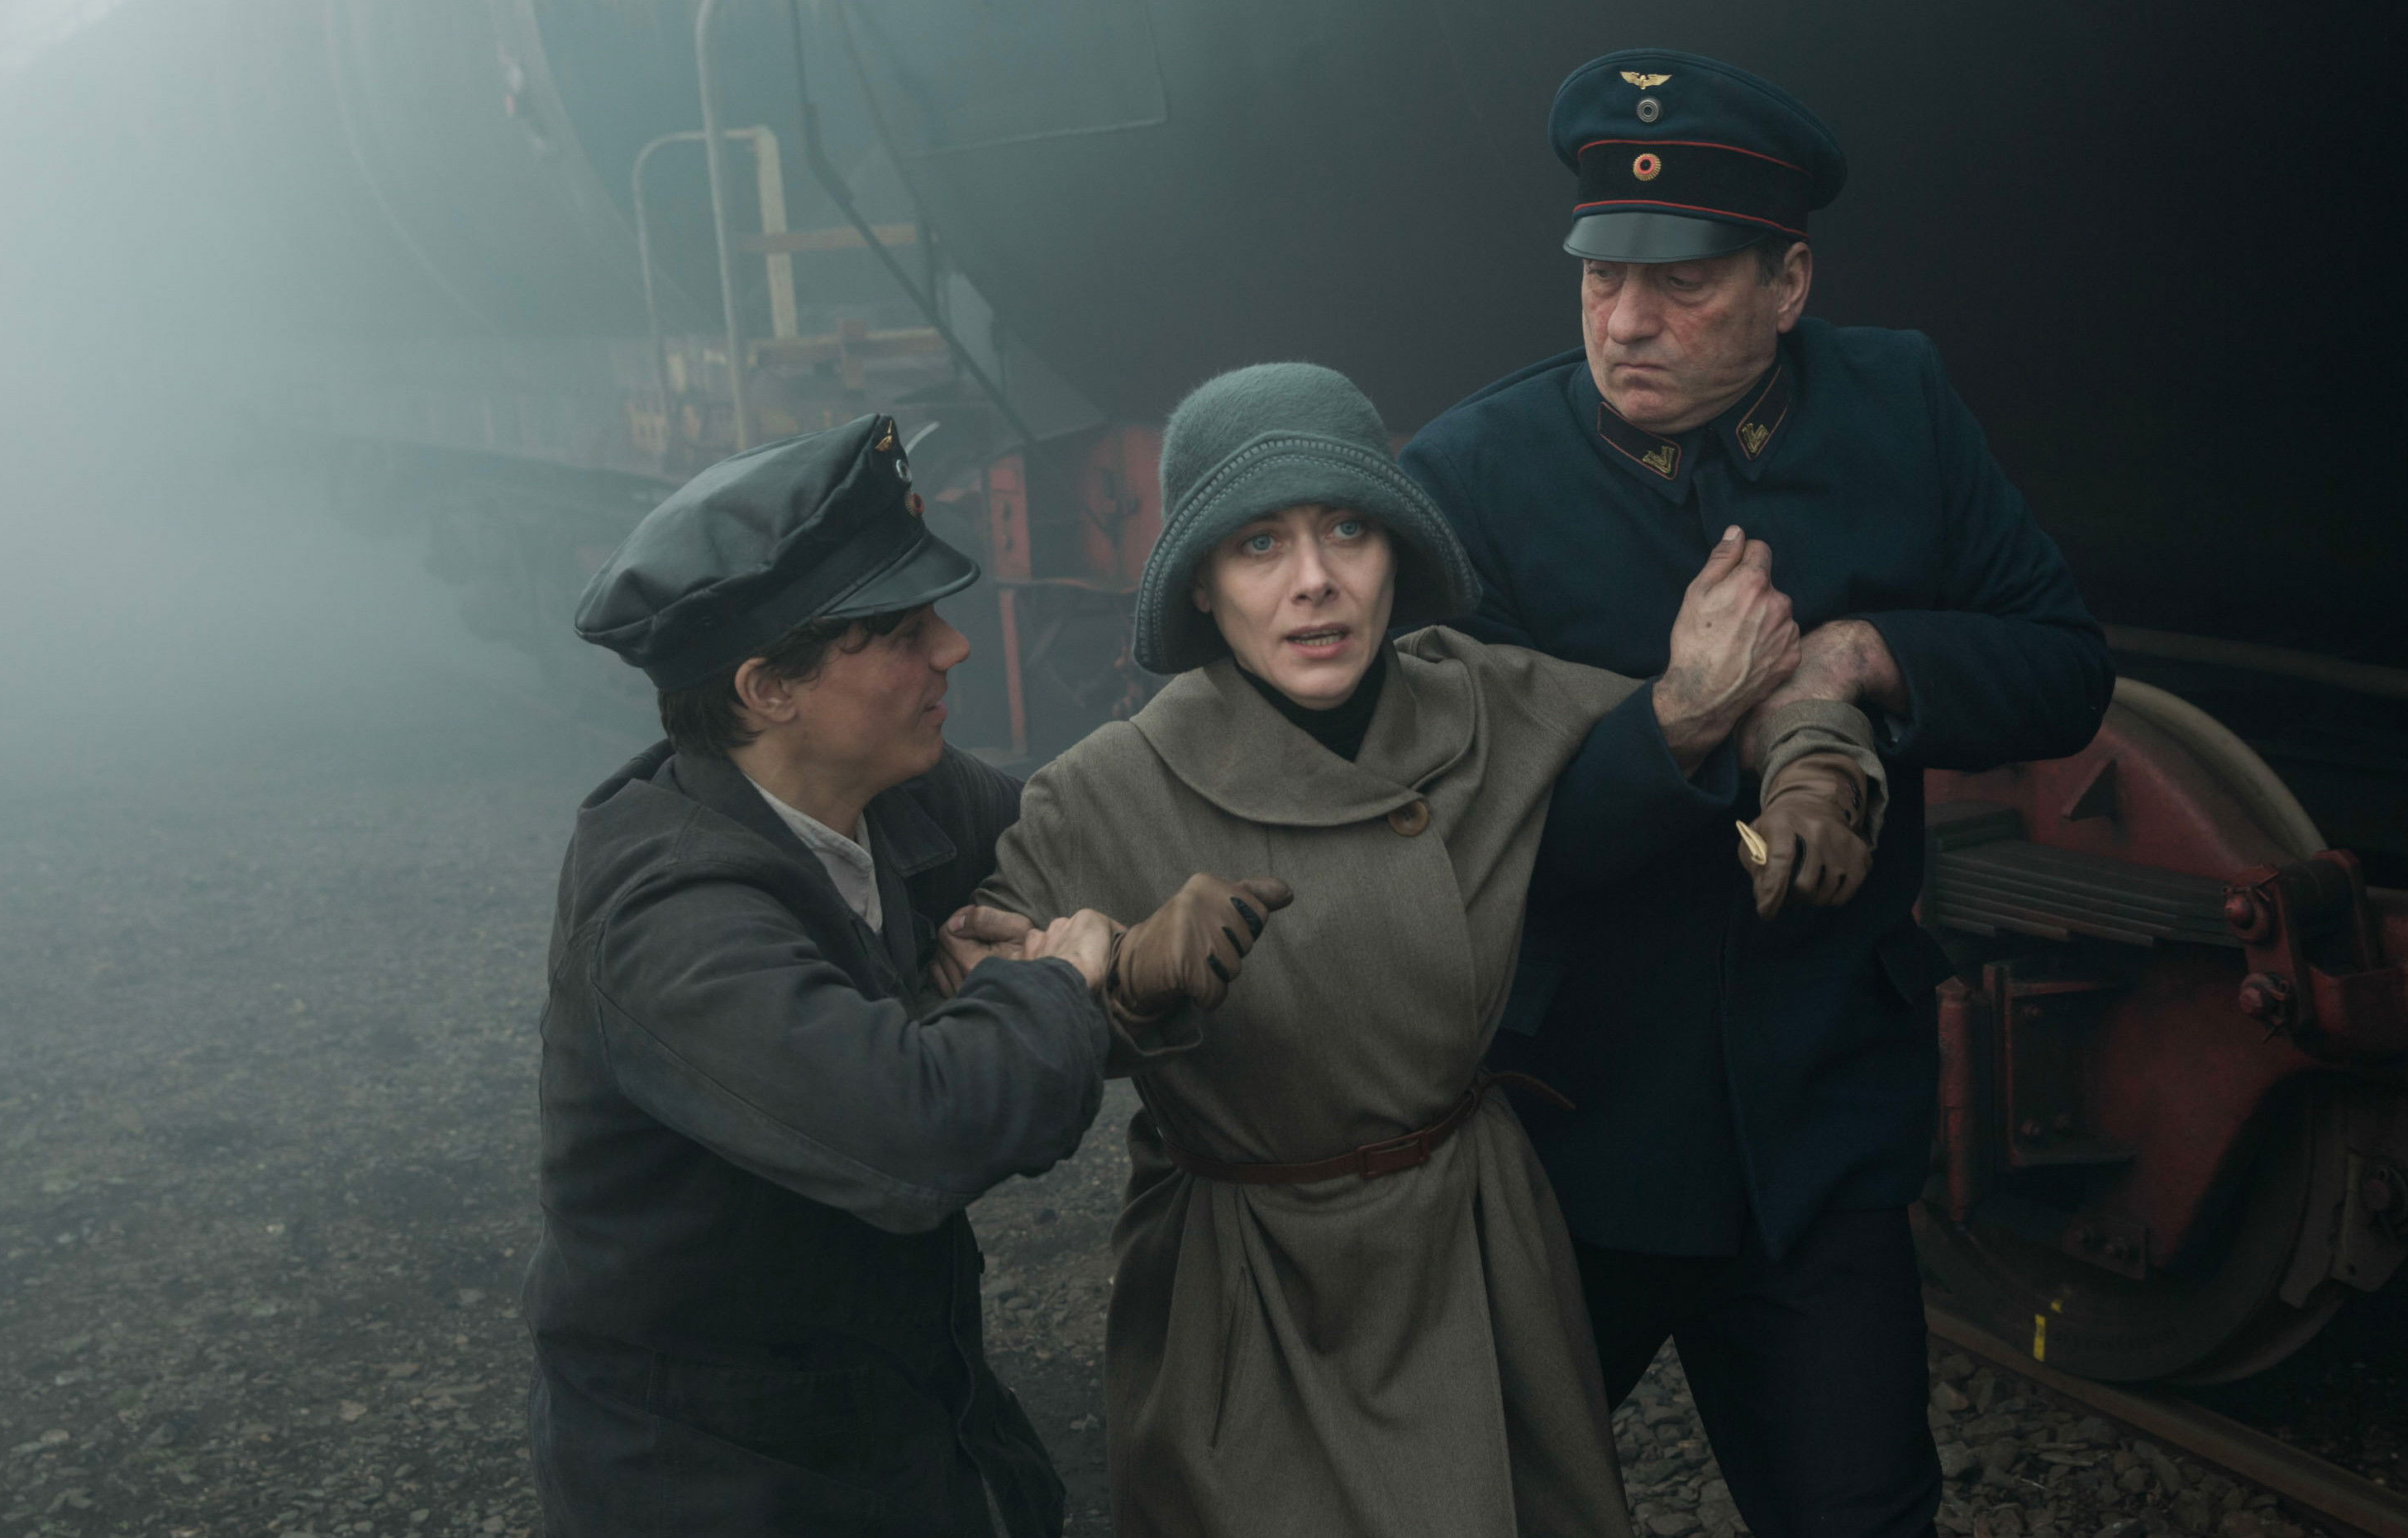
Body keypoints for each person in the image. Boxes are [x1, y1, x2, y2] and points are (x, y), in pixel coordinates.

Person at [945, 362, 1883, 1538]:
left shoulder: (1485, 703)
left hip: (1476, 1254)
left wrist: (1812, 771)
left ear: (1396, 550)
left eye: (1348, 529)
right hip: (1251, 1286)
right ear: (1200, 587)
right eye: (1258, 545)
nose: (1316, 582)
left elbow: (1745, 701)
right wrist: (1127, 971)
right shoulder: (1105, 790)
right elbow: (968, 1001)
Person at [1399, 49, 2115, 1538]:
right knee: (1474, 1512)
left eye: (1683, 284)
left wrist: (1861, 658)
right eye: (1601, 278)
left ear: (1790, 284)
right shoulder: (1470, 479)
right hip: (1569, 1142)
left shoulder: (1898, 406)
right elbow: (1453, 839)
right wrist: (1678, 719)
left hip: (1816, 1139)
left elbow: (2063, 666)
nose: (1627, 320)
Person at [527, 414, 1283, 1536]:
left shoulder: (890, 794)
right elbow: (915, 1138)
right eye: (899, 631)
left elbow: (1082, 836)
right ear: (767, 689)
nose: (954, 647)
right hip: (717, 1475)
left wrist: (1128, 956)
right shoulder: (666, 918)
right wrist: (1059, 980)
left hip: (898, 1408)